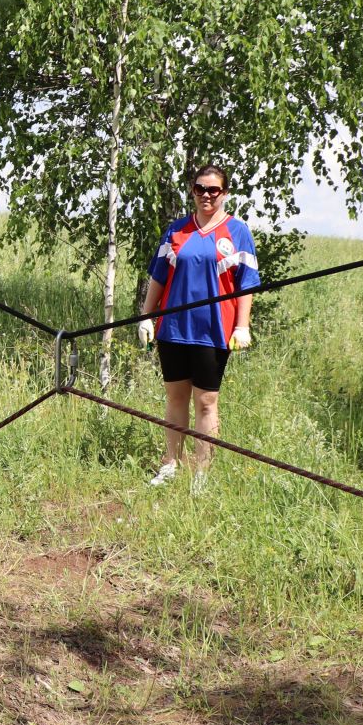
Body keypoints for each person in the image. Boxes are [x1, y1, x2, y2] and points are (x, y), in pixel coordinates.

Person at [134, 165, 258, 486]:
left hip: (213, 331)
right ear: (192, 190)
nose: (206, 195)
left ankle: (200, 474)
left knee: (206, 402)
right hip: (173, 328)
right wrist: (147, 317)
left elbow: (247, 284)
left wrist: (242, 326)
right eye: (200, 188)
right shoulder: (176, 230)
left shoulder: (238, 232)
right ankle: (171, 464)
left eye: (213, 190)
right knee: (175, 398)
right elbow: (158, 277)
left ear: (225, 194)